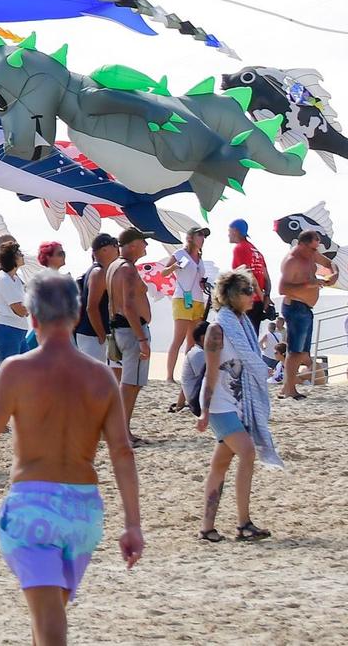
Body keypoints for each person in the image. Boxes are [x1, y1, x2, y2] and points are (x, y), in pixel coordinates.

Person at [0, 274, 141, 646]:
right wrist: (132, 523)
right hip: (83, 512)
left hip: (32, 507)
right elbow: (122, 452)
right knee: (49, 615)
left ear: (32, 318)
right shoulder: (100, 376)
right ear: (77, 314)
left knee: (49, 625)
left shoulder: (16, 371)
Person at [195, 271, 281, 542]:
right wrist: (205, 411)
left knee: (220, 465)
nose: (252, 296)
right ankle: (244, 523)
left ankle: (207, 527)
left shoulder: (242, 325)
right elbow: (209, 375)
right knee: (246, 452)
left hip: (239, 402)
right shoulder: (217, 330)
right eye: (246, 291)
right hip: (221, 405)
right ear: (232, 295)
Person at [277, 228, 334, 400]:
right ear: (302, 245)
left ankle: (286, 388)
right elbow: (282, 288)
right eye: (312, 248)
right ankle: (289, 388)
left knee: (302, 352)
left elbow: (330, 263)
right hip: (295, 306)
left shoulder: (311, 255)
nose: (315, 251)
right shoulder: (292, 261)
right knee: (295, 351)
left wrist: (335, 274)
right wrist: (309, 285)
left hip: (305, 308)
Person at [107, 228, 154, 433]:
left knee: (130, 383)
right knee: (130, 384)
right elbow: (128, 306)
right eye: (144, 241)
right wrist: (142, 338)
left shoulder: (115, 266)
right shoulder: (126, 269)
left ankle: (120, 429)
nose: (146, 245)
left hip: (122, 329)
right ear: (133, 245)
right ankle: (122, 431)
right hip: (131, 331)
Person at [166, 226, 215, 407]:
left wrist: (204, 283)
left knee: (192, 341)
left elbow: (199, 279)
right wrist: (174, 266)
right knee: (178, 338)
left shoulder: (200, 258)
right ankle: (170, 376)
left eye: (204, 235)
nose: (202, 238)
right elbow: (165, 272)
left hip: (197, 299)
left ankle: (187, 374)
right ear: (191, 237)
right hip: (182, 297)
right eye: (200, 235)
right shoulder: (180, 254)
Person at [76, 233, 117, 364]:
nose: (118, 250)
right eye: (115, 246)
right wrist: (102, 335)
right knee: (93, 379)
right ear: (105, 249)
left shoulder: (97, 270)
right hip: (92, 335)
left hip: (90, 334)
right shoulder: (98, 272)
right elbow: (91, 307)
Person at [0, 243, 31, 365]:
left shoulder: (15, 279)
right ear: (12, 258)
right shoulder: (4, 279)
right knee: (9, 373)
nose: (22, 255)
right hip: (8, 330)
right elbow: (20, 310)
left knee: (22, 371)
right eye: (19, 253)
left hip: (17, 330)